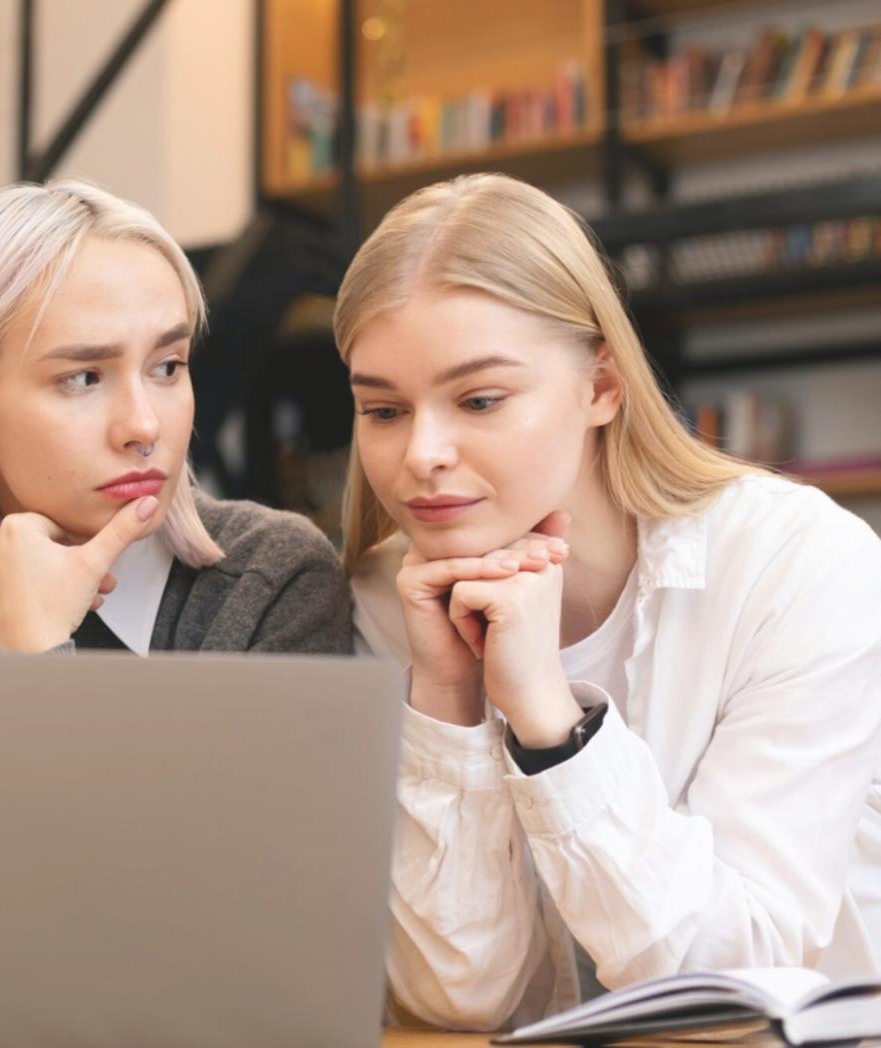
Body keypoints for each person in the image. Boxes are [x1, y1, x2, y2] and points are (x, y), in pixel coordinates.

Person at [337, 173, 881, 1029]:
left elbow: (737, 979)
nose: (421, 454)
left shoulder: (795, 564)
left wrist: (550, 725)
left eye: (478, 400)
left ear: (600, 386)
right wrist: (445, 697)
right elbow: (459, 997)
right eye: (382, 409)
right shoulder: (384, 601)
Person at [0, 180, 351, 655]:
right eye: (83, 379)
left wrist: (32, 662)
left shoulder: (273, 579)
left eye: (167, 367)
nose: (144, 427)